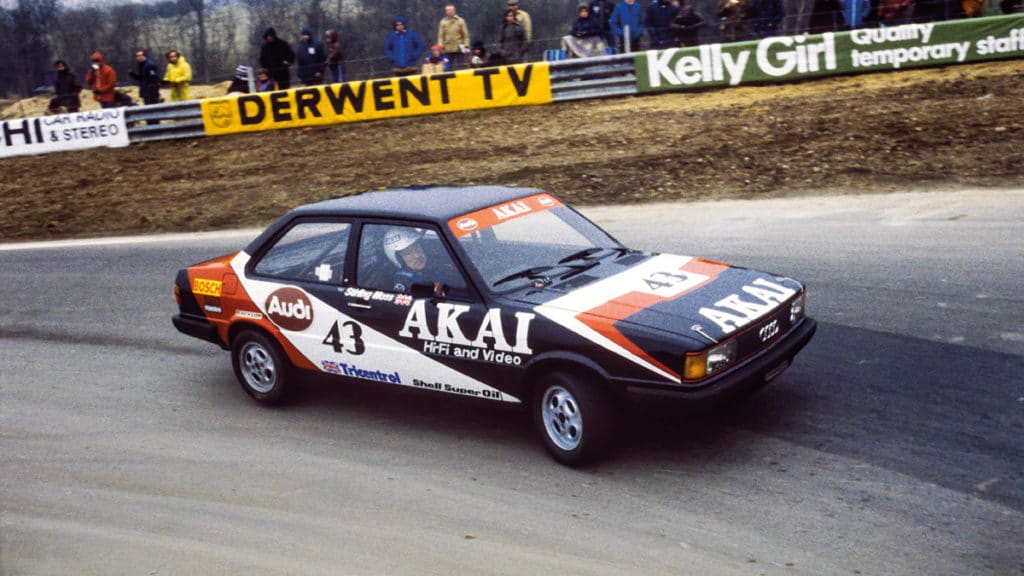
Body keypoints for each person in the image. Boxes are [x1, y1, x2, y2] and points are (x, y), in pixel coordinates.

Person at [382, 227, 464, 297]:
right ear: (398, 259)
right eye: (408, 253)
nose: (417, 255)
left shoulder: (434, 265)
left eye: (417, 247)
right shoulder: (404, 281)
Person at [437, 4, 470, 70]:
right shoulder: (443, 22)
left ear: (454, 11)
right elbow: (440, 36)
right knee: (448, 67)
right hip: (447, 49)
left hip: (459, 48)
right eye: (447, 10)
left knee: (461, 66)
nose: (449, 12)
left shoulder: (460, 21)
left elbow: (465, 35)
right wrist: (440, 47)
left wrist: (466, 46)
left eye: (451, 10)